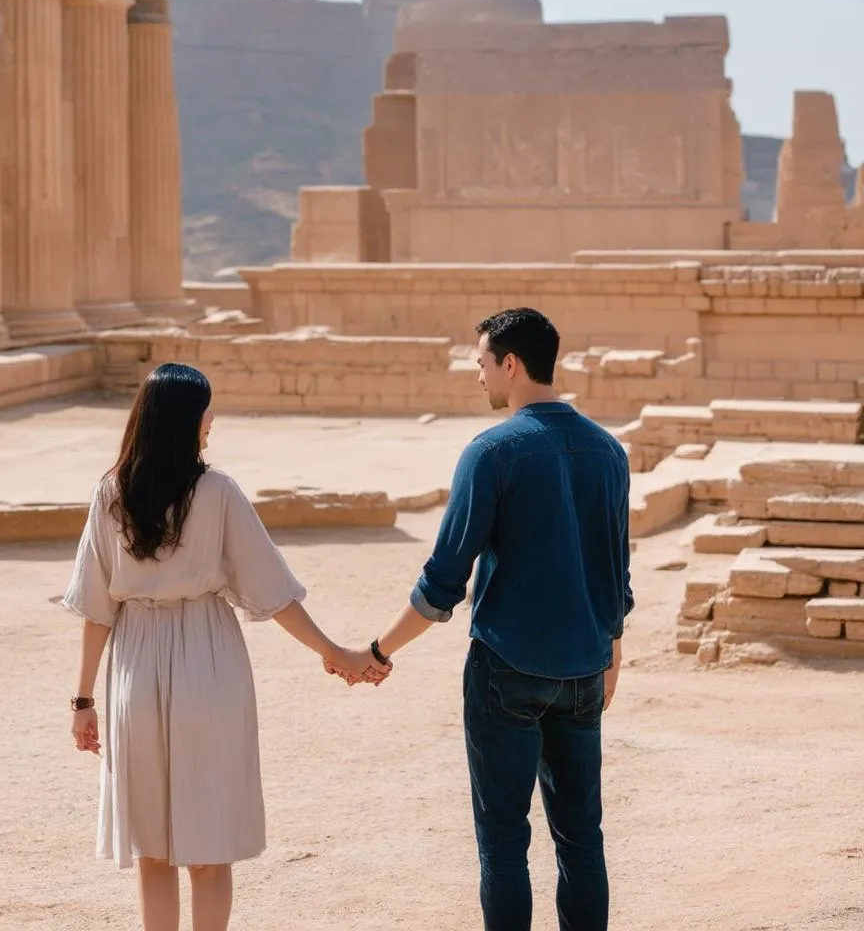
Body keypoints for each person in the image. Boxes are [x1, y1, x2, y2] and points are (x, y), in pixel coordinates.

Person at [333, 308, 633, 931]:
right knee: (582, 836)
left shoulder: (492, 452)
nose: (479, 378)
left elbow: (444, 582)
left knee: (503, 842)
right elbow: (614, 571)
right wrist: (612, 651)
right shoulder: (609, 451)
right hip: (584, 668)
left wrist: (378, 651)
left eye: (481, 364)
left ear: (511, 364)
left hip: (506, 671)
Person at [63, 363, 388, 931]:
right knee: (209, 851)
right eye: (206, 408)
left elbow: (96, 610)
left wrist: (83, 701)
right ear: (187, 419)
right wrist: (334, 652)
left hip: (134, 669)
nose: (213, 419)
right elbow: (273, 594)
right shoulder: (217, 493)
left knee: (153, 851)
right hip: (208, 665)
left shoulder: (109, 493)